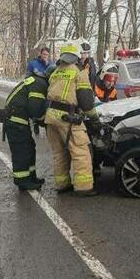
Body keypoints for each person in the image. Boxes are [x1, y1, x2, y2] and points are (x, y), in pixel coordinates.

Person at [44, 41, 98, 196]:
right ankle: (84, 187)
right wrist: (94, 118)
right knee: (81, 151)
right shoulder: (79, 73)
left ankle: (62, 184)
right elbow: (87, 103)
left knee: (59, 152)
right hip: (68, 118)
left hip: (51, 117)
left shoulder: (55, 72)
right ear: (76, 56)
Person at [2, 67, 49, 191]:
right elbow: (35, 109)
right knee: (22, 151)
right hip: (15, 120)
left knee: (29, 148)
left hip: (18, 119)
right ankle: (22, 181)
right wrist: (44, 121)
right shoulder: (40, 85)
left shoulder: (37, 81)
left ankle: (31, 176)